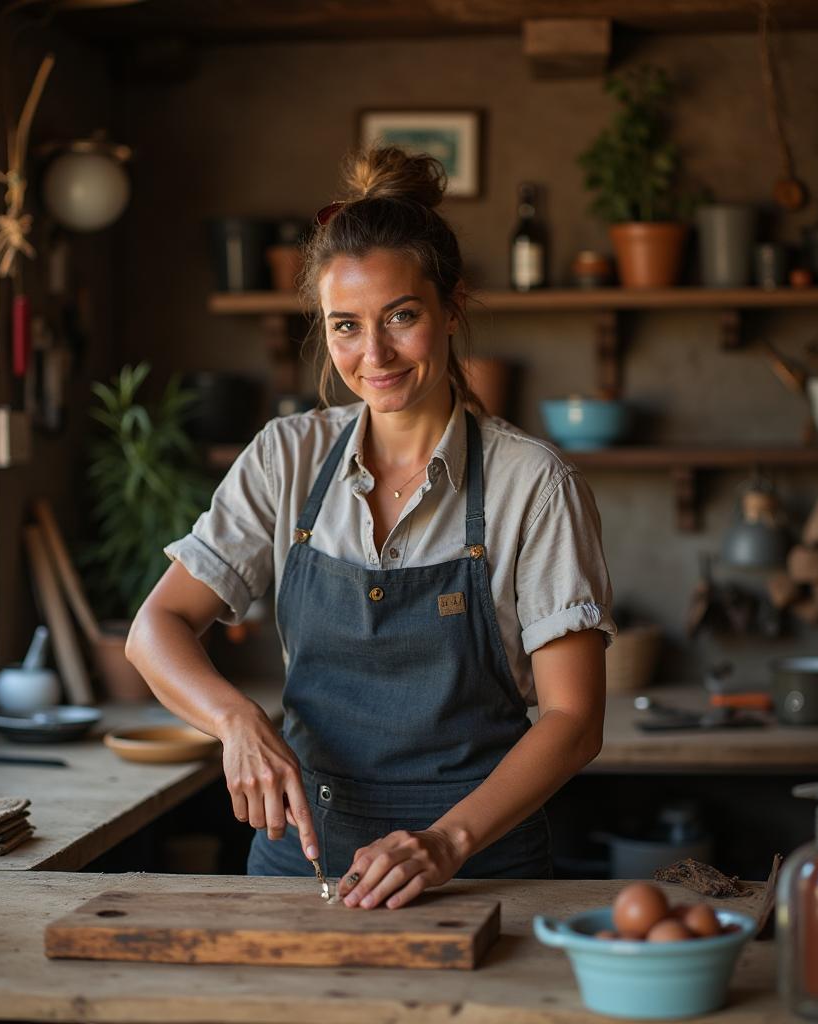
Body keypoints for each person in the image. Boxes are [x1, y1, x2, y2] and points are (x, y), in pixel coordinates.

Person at [126, 145, 615, 911]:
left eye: (402, 316)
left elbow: (575, 719)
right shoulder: (287, 457)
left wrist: (445, 842)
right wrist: (236, 721)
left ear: (452, 308)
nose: (373, 354)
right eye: (345, 326)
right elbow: (155, 627)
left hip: (482, 878)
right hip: (305, 873)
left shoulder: (533, 484)